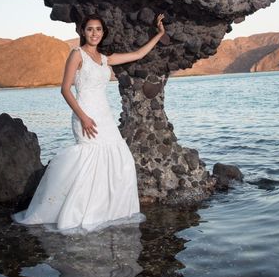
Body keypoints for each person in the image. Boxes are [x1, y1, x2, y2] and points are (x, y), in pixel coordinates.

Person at [12, 13, 166, 233]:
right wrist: (83, 117)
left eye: (98, 29)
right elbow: (65, 89)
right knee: (90, 162)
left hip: (104, 116)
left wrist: (159, 33)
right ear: (83, 32)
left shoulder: (105, 59)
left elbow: (138, 53)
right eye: (90, 29)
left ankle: (111, 212)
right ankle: (78, 213)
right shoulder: (77, 54)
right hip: (85, 115)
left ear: (103, 33)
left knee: (121, 159)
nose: (94, 33)